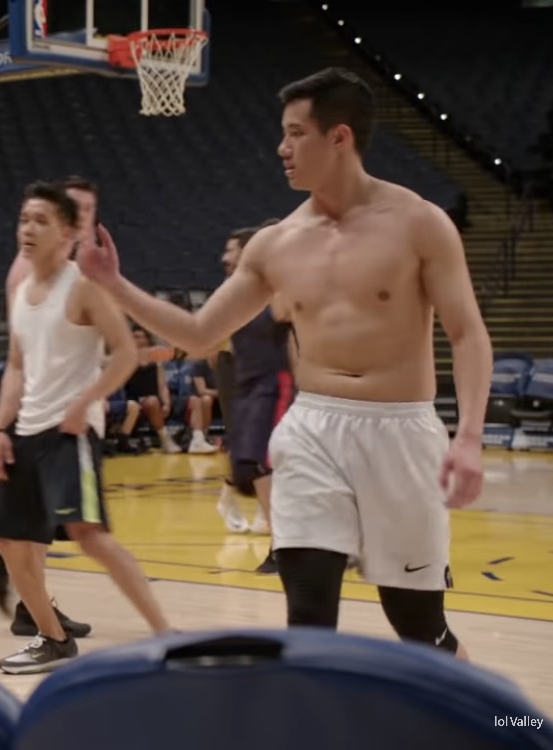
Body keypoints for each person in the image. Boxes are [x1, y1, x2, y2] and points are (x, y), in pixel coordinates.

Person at [78, 67, 489, 660]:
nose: (282, 147)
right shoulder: (275, 243)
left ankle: (487, 706)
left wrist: (469, 436)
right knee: (309, 615)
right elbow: (200, 333)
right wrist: (114, 284)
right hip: (313, 427)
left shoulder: (420, 224)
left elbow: (467, 333)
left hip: (400, 429)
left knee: (421, 628)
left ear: (339, 137)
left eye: (296, 133)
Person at [0, 182, 174, 674]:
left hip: (70, 434)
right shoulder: (21, 293)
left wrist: (85, 403)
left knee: (89, 535)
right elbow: (16, 367)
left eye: (40, 220)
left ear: (67, 232)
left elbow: (126, 353)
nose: (28, 228)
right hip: (26, 431)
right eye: (24, 219)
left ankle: (167, 635)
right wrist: (0, 428)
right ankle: (53, 638)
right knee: (10, 542)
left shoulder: (84, 287)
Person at [0, 178, 100, 640]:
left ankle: (25, 598)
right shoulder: (28, 272)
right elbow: (24, 355)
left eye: (91, 209)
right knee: (42, 522)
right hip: (33, 404)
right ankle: (27, 601)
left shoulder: (72, 269)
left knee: (39, 521)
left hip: (54, 401)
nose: (85, 218)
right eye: (78, 209)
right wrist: (5, 424)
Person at [208, 220, 295, 576]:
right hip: (246, 385)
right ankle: (289, 542)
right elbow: (213, 340)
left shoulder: (278, 289)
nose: (224, 257)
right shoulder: (234, 294)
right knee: (249, 468)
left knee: (267, 464)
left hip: (276, 382)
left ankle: (284, 547)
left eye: (232, 251)